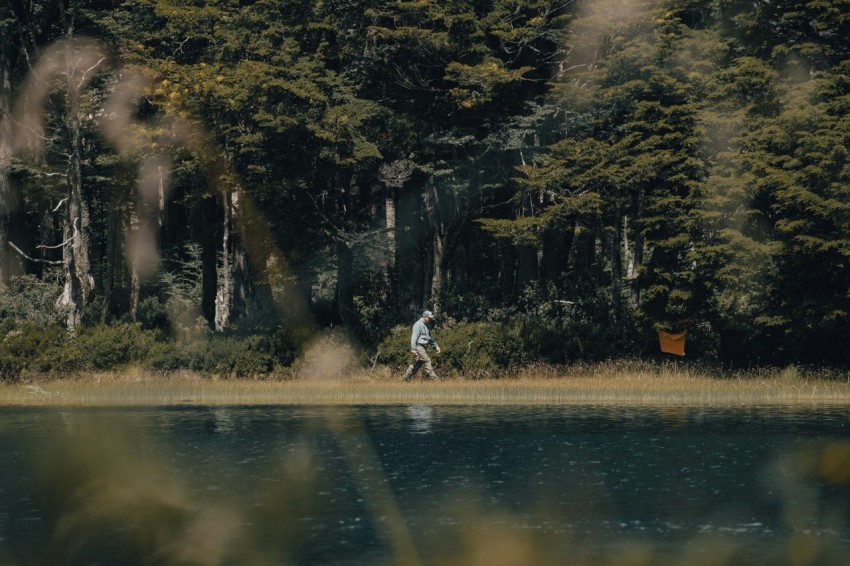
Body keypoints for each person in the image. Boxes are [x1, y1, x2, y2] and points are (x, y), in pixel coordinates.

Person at [402, 310, 441, 382]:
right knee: (427, 361)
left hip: (422, 347)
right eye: (429, 318)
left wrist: (435, 345)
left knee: (416, 364)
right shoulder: (418, 325)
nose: (430, 319)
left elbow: (429, 337)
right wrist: (413, 349)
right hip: (419, 347)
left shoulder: (425, 325)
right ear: (425, 317)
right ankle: (436, 380)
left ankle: (405, 379)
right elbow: (414, 337)